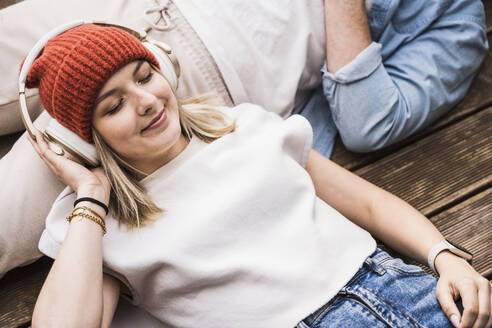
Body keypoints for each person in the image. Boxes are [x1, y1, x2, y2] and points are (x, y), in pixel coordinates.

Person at [24, 24, 490, 328]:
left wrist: (446, 257)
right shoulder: (103, 225)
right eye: (114, 105)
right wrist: (90, 194)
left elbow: (367, 203)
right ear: (90, 139)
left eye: (145, 77)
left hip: (404, 288)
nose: (144, 100)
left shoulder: (243, 125)